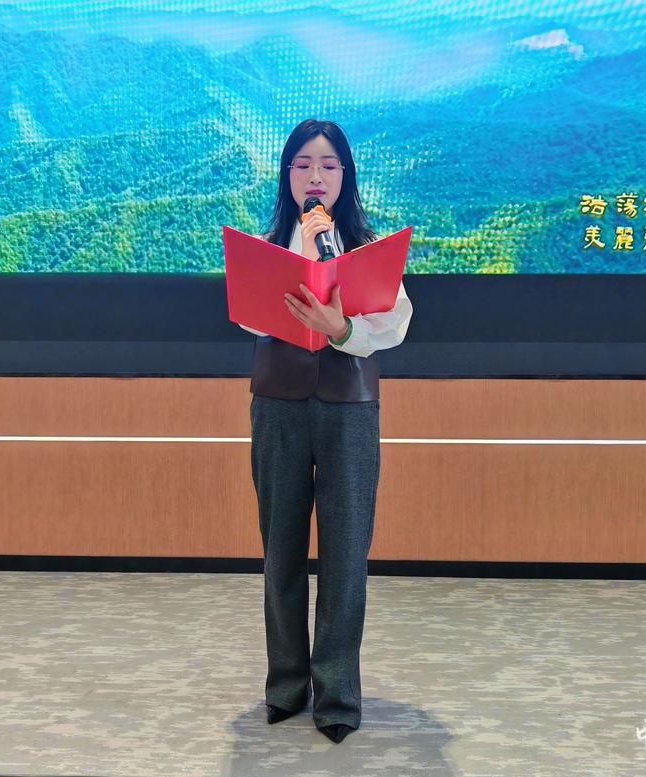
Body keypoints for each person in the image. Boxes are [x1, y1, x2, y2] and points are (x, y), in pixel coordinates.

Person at [237, 119, 413, 744]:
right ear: (288, 175)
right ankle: (286, 686)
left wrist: (341, 328)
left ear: (345, 176)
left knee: (344, 554)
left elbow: (395, 324)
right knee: (281, 550)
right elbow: (249, 318)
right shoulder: (267, 245)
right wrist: (298, 265)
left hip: (348, 406)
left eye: (329, 165)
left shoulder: (368, 247)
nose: (316, 176)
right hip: (279, 404)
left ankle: (337, 696)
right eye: (304, 164)